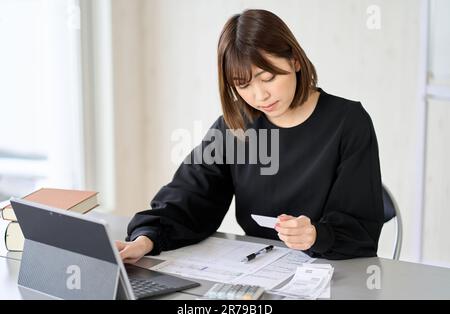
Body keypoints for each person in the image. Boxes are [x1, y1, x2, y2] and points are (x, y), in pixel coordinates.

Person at [115, 9, 384, 263]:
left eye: (267, 78)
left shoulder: (348, 122)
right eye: (243, 85)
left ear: (295, 61)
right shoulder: (236, 128)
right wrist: (146, 239)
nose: (259, 96)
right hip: (260, 267)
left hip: (332, 272)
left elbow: (361, 229)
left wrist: (316, 235)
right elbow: (190, 196)